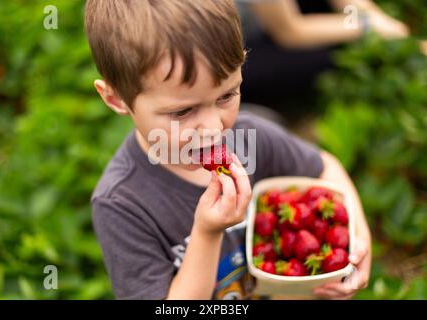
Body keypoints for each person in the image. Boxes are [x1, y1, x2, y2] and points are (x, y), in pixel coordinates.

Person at [85, 0, 371, 300]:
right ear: (116, 100)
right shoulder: (121, 204)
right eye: (183, 112)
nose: (212, 128)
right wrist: (207, 233)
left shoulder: (251, 135)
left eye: (226, 95)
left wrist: (357, 240)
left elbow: (325, 167)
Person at [236, 0, 411, 110]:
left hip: (271, 24)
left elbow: (349, 5)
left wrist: (392, 29)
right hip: (238, 44)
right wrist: (365, 26)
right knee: (333, 54)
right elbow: (289, 33)